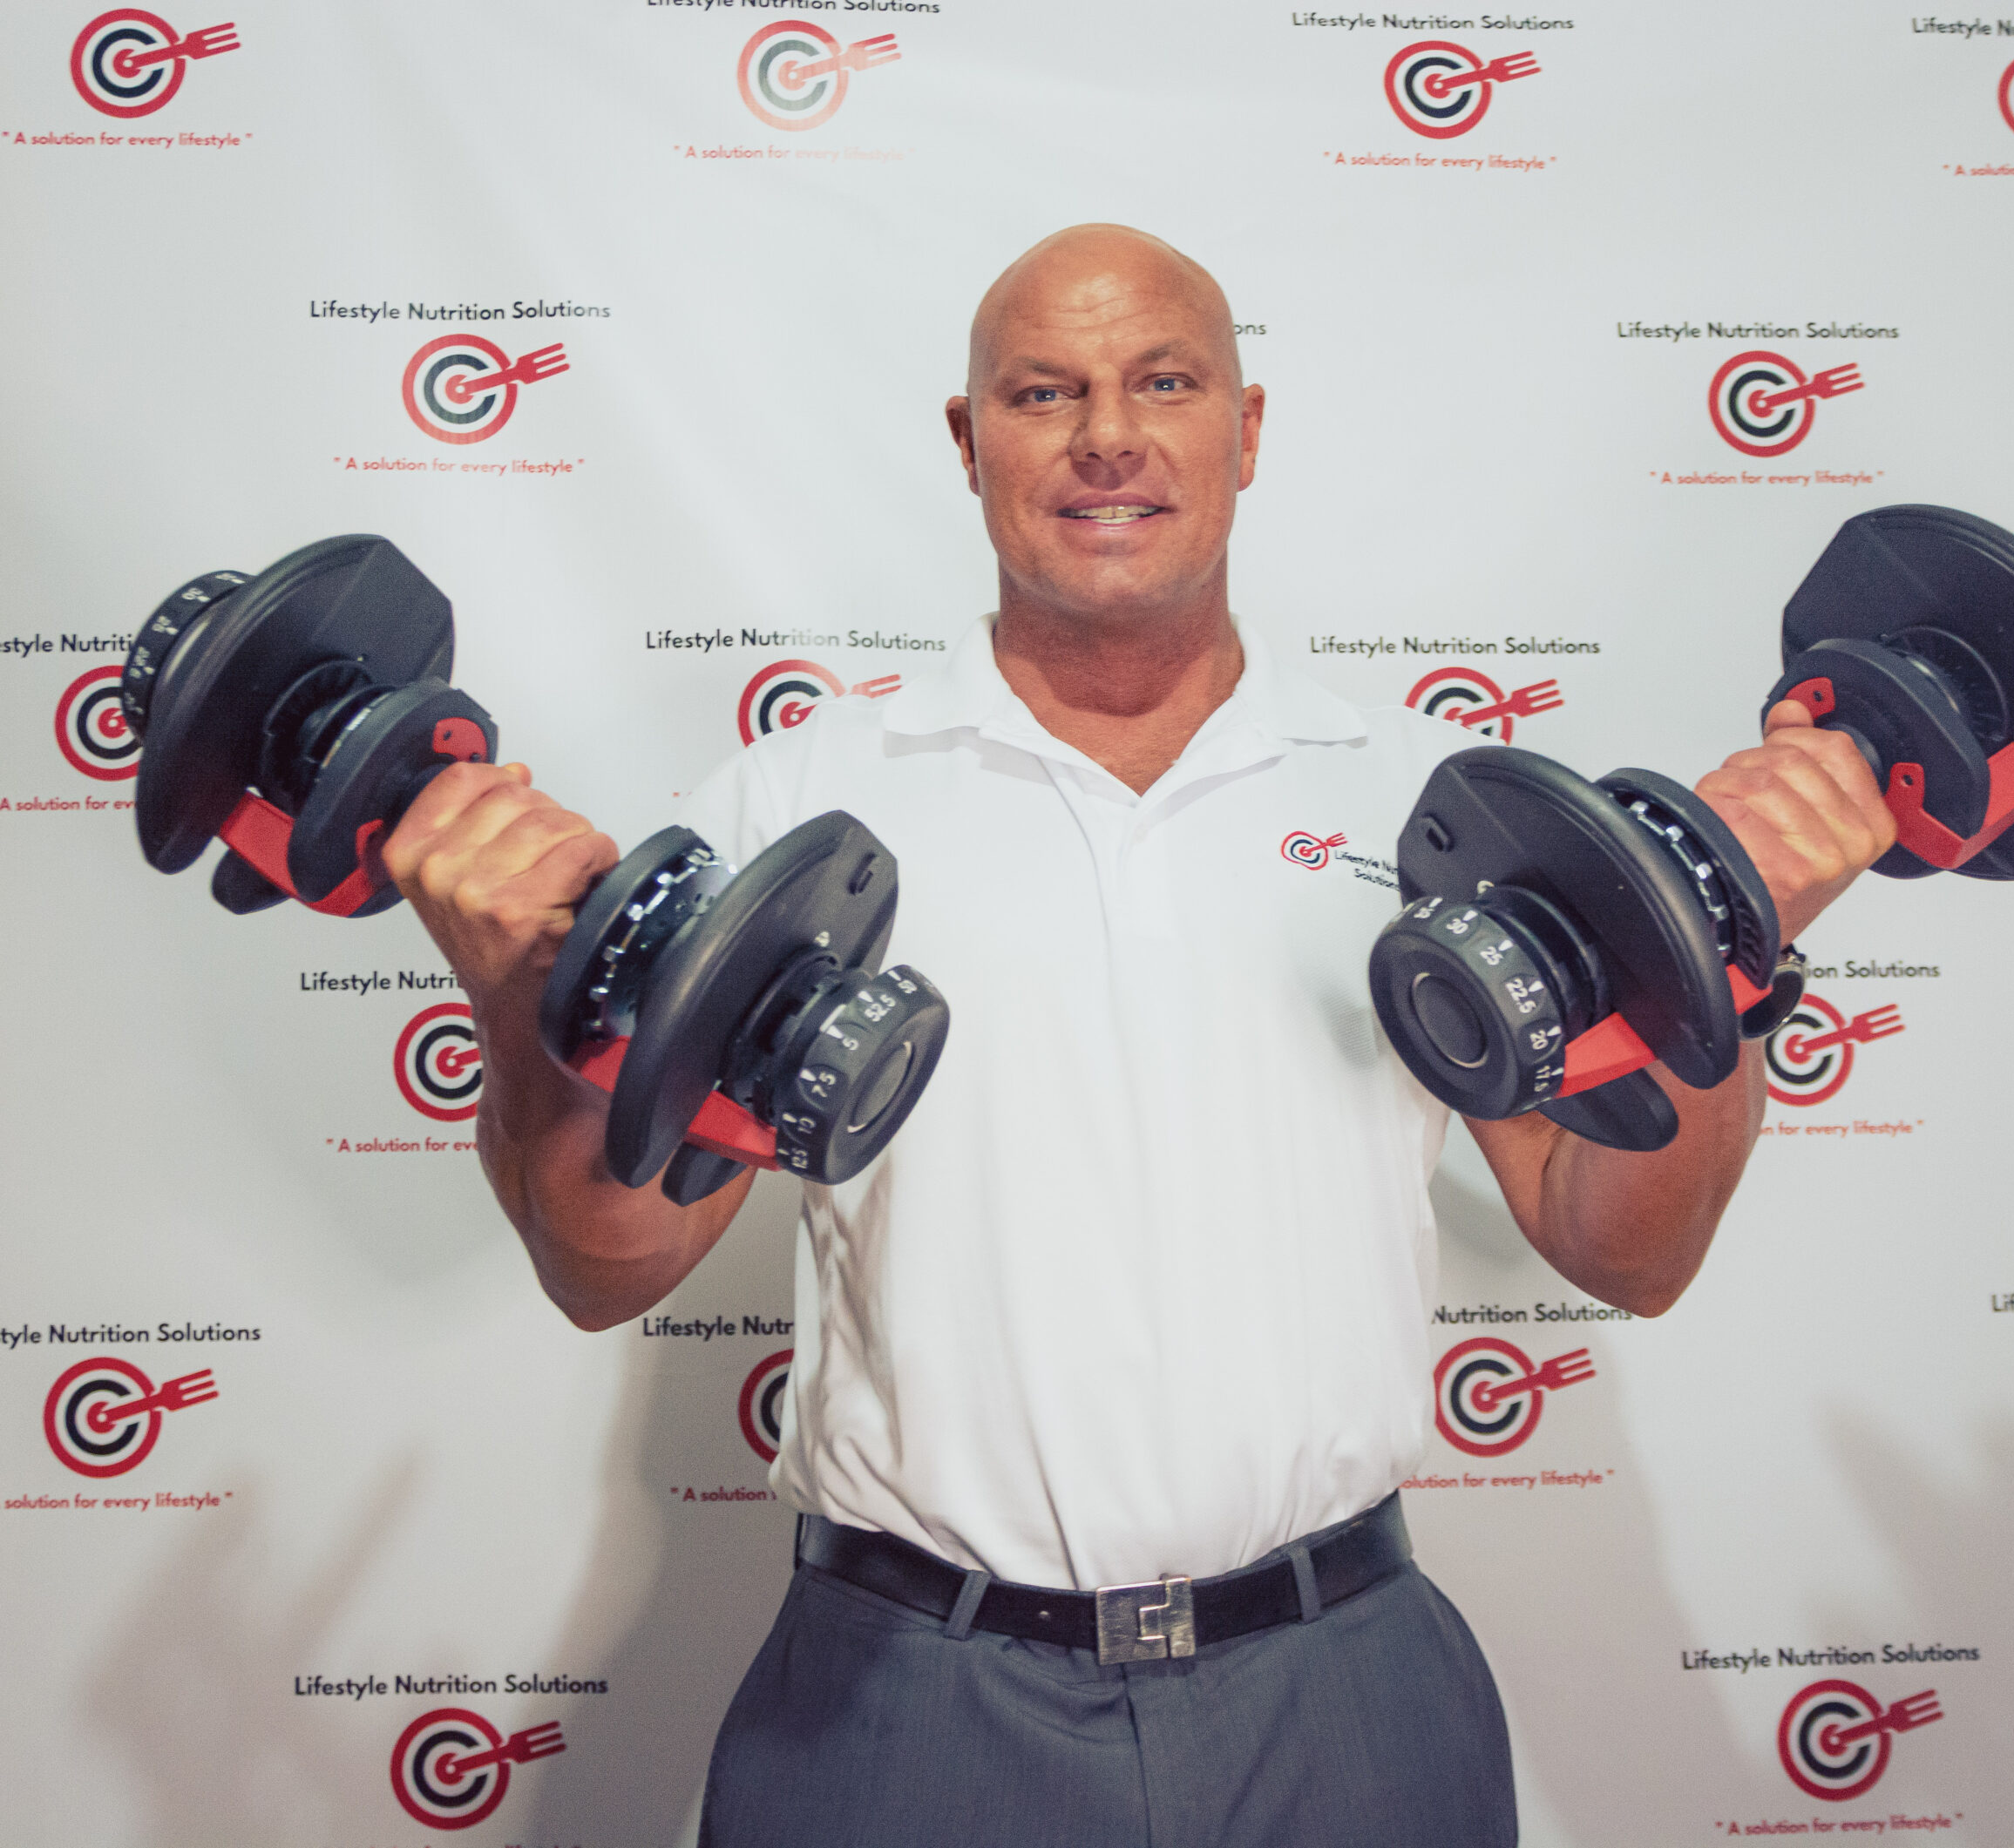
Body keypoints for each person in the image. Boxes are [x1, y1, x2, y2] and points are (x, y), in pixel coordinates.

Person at [383, 225, 1896, 1846]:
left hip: (1344, 1694)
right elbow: (606, 1262)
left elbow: (1625, 1246)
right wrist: (515, 1003)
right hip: (906, 1704)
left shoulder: (1439, 804)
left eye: (1164, 380)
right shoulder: (793, 806)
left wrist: (1725, 954)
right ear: (971, 446)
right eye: (1045, 391)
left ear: (1248, 429)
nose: (1109, 432)